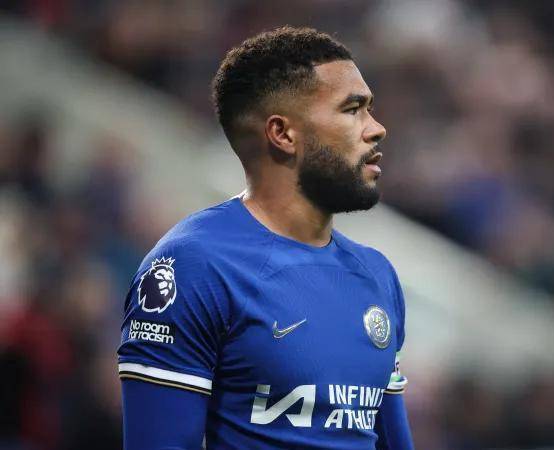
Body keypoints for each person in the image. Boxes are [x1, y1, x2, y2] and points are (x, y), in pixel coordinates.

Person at [117, 26, 414, 449]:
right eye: (353, 109)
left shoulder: (377, 275)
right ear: (283, 134)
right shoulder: (194, 269)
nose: (377, 128)